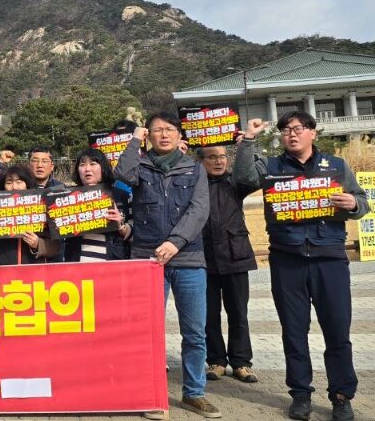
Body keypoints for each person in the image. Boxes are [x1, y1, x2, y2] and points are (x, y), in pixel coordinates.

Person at [234, 112, 367, 421]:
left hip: (330, 259)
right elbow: (242, 178)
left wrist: (353, 203)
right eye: (285, 131)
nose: (291, 135)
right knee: (294, 331)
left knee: (337, 331)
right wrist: (249, 139)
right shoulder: (271, 167)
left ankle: (341, 395)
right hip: (287, 259)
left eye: (297, 129)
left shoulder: (335, 166)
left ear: (312, 133)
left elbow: (362, 201)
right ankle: (301, 394)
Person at [116, 113, 218, 419]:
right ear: (149, 134)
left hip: (187, 257)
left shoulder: (195, 168)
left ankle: (194, 393)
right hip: (147, 258)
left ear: (178, 135)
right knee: (147, 331)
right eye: (157, 130)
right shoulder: (141, 165)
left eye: (169, 130)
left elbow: (199, 210)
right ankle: (151, 394)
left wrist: (175, 242)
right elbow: (122, 173)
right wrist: (135, 139)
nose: (164, 135)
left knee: (195, 331)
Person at [197, 145, 259, 385]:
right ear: (201, 161)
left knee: (238, 313)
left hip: (236, 256)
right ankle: (216, 361)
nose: (219, 161)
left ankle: (241, 362)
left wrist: (246, 144)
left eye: (222, 157)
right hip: (203, 259)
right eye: (212, 157)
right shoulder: (194, 184)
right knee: (209, 314)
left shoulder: (236, 182)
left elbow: (251, 176)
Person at [0, 164, 61, 265]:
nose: (14, 187)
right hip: (3, 268)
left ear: (27, 184)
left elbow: (56, 247)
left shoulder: (42, 206)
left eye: (19, 182)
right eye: (9, 182)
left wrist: (38, 244)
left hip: (35, 272)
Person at [62, 148, 131, 262]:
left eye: (93, 164)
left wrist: (121, 226)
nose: (87, 169)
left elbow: (136, 233)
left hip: (112, 265)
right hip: (77, 266)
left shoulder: (121, 196)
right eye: (82, 164)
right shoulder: (67, 198)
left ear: (103, 167)